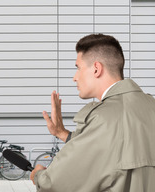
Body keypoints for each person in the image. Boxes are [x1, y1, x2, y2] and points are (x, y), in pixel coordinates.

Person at [30, 34, 155, 191]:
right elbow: (118, 149)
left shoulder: (104, 118)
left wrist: (39, 175)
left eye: (78, 68)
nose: (75, 78)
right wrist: (63, 134)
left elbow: (54, 184)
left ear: (96, 69)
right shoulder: (150, 107)